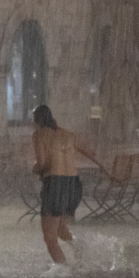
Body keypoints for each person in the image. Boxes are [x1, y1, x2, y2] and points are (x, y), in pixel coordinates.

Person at [31, 104, 106, 269]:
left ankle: (64, 271)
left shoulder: (39, 134)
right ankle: (80, 248)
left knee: (49, 238)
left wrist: (34, 168)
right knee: (59, 228)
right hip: (73, 184)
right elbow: (90, 152)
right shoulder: (68, 135)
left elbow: (42, 163)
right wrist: (106, 170)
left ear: (37, 120)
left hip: (55, 183)